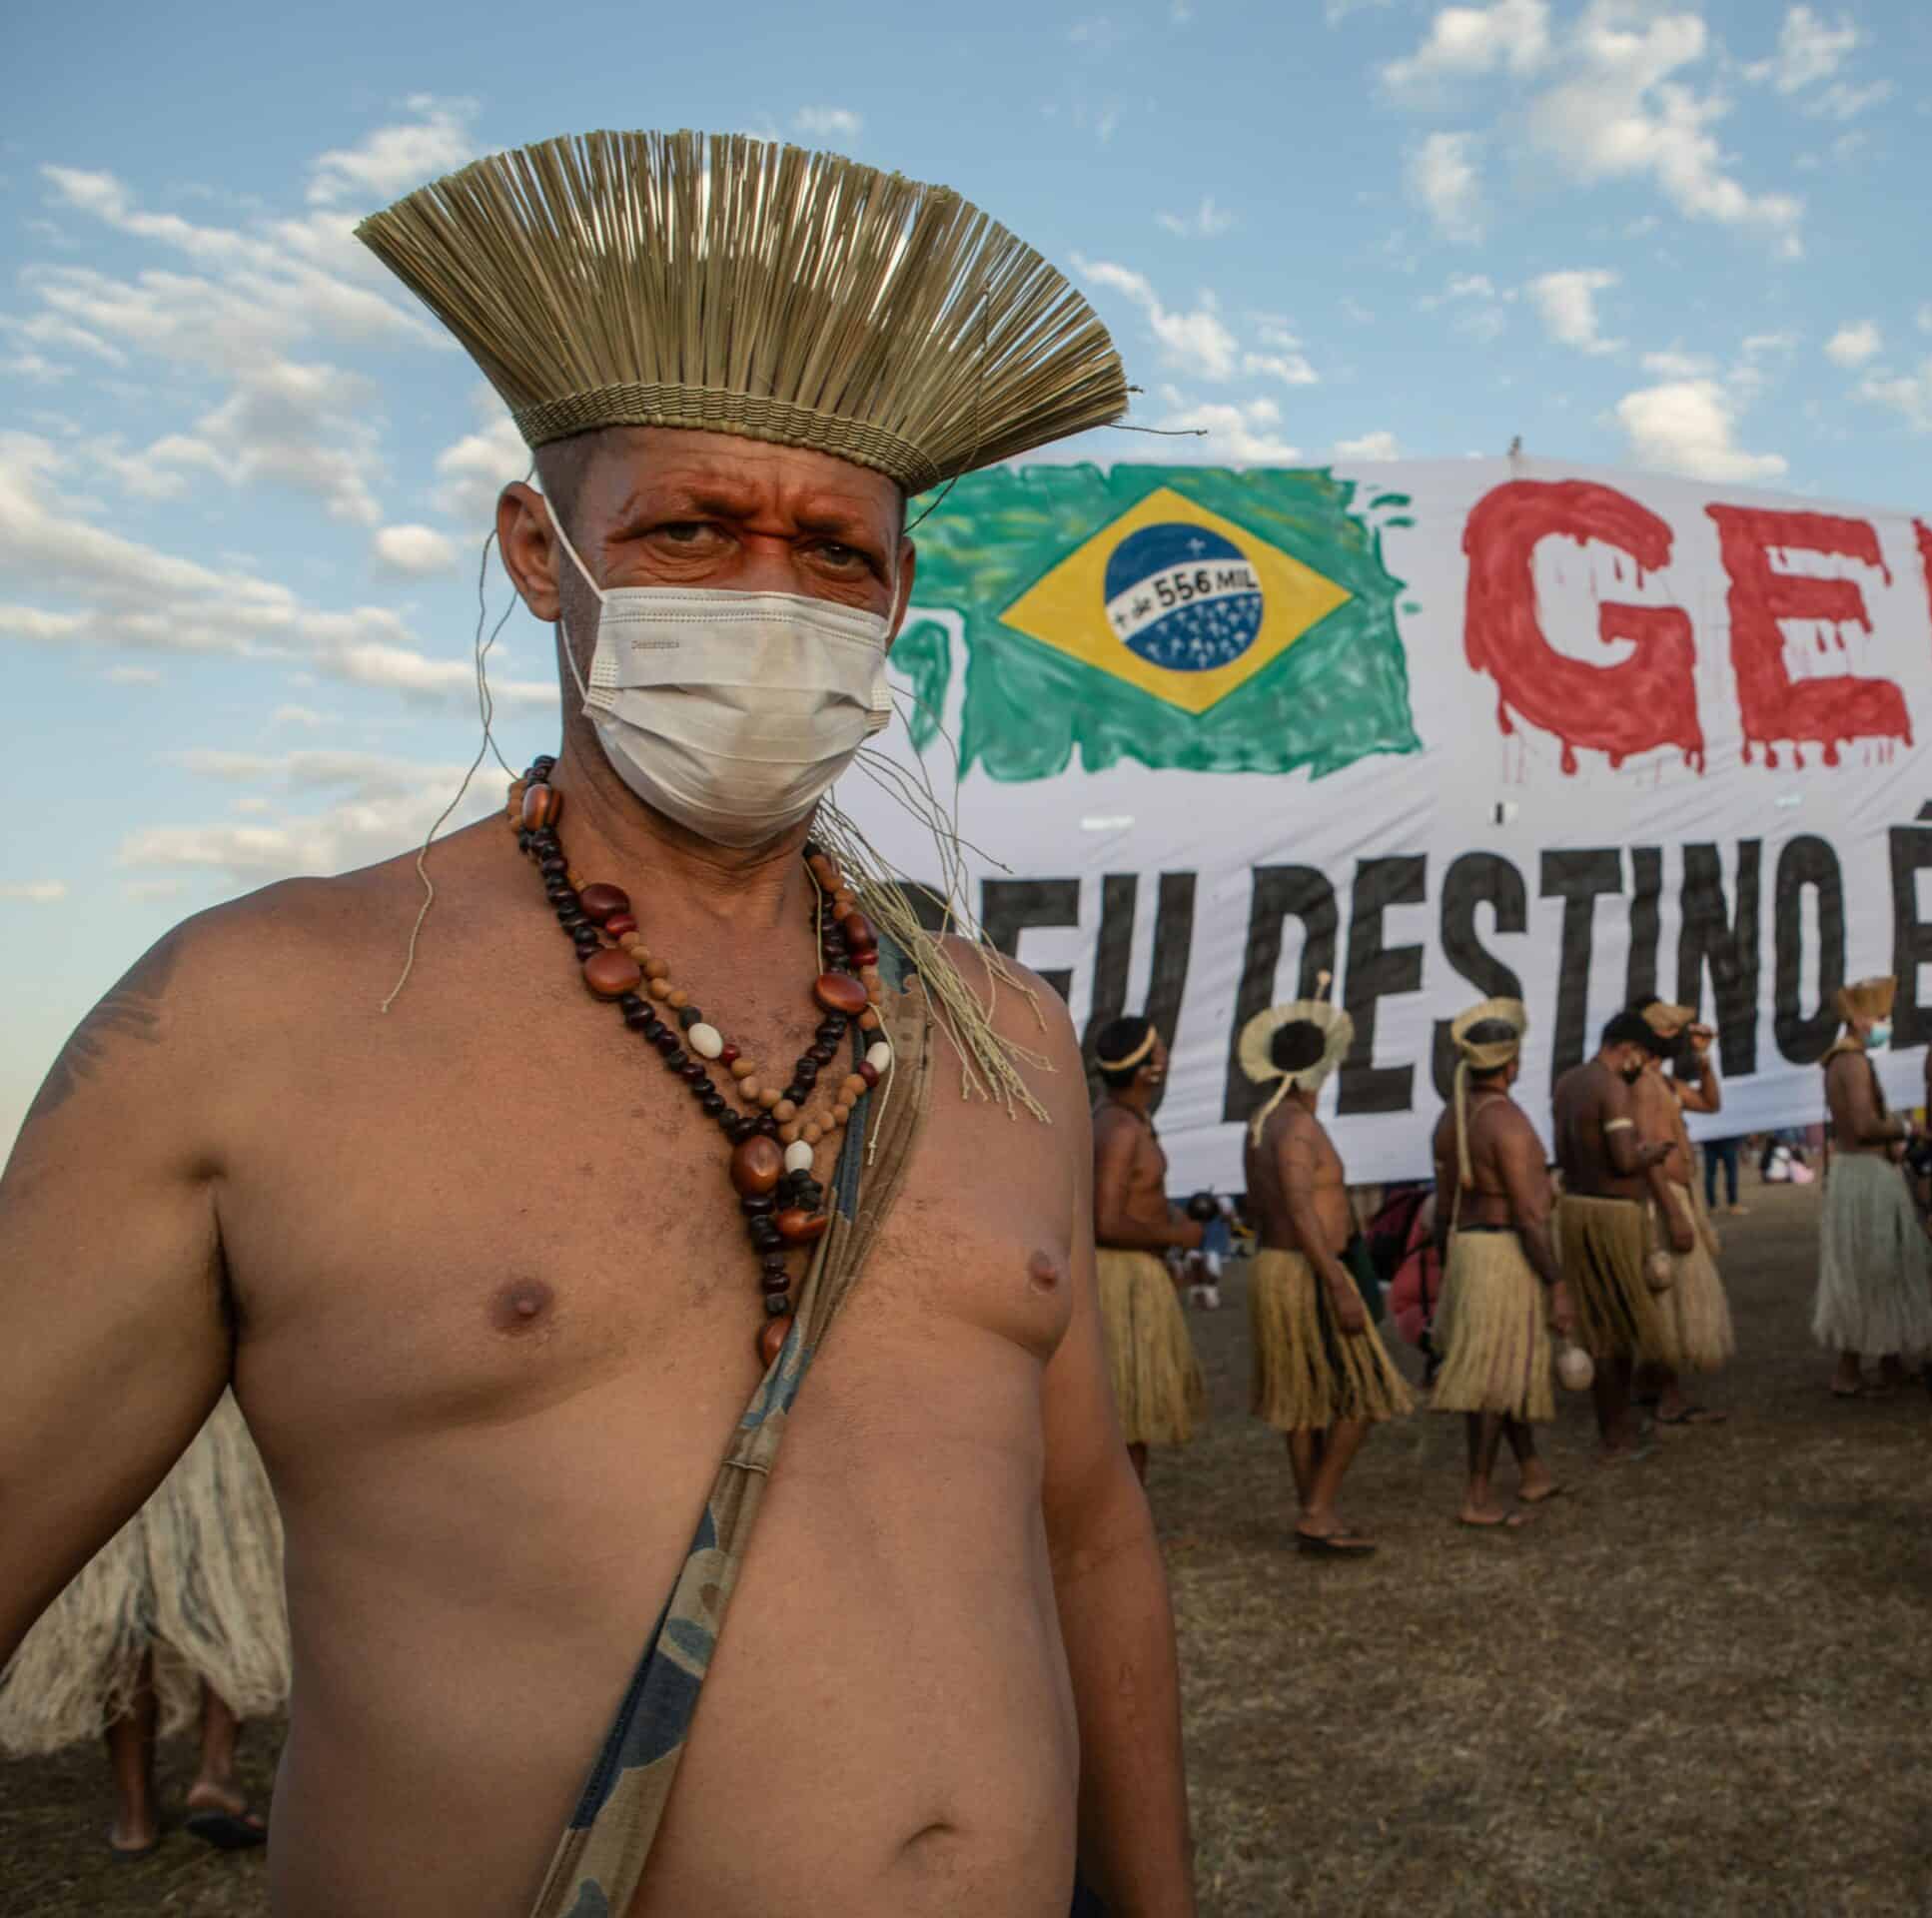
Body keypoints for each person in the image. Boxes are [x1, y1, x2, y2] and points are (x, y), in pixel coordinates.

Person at [1, 131, 1193, 1917]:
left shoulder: (996, 1030)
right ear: (540, 553)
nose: (769, 603)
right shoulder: (251, 1021)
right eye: (692, 529)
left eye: (834, 554)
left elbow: (1090, 1538)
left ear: (899, 601)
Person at [0, 1394, 287, 1857]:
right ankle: (216, 1773)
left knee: (121, 1621)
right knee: (229, 1595)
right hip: (205, 1417)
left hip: (111, 1429)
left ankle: (135, 1817)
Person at [1239, 996, 1418, 1555]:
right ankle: (1317, 1510)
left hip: (1288, 1268)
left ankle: (1314, 1507)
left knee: (1304, 1399)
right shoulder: (1294, 1129)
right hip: (1308, 1272)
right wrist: (1337, 1280)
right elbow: (1297, 1207)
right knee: (1362, 1394)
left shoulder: (1265, 1122)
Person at [1428, 1000, 1578, 1527]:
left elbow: (1442, 1210)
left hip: (1471, 1249)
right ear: (1511, 1063)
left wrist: (1450, 1269)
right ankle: (1477, 1493)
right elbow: (1530, 1215)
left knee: (1503, 1361)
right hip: (1503, 1251)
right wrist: (1557, 1282)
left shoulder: (1453, 1116)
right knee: (1492, 1376)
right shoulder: (1506, 1121)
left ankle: (1532, 1469)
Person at [1550, 1009, 1684, 1457]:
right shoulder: (1610, 1088)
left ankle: (1617, 1427)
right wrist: (1655, 1154)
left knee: (1600, 1323)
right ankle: (1616, 1434)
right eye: (1642, 1057)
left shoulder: (1567, 1083)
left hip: (1575, 1210)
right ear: (1624, 1048)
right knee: (1615, 1328)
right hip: (1610, 1217)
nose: (1642, 1067)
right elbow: (1625, 1161)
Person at [1089, 1018, 1209, 1485]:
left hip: (1129, 1273)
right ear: (1147, 1072)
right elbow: (1106, 1221)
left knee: (1127, 1420)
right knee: (1125, 1422)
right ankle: (1120, 1541)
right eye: (1160, 1051)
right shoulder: (1120, 1130)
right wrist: (1177, 1237)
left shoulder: (1117, 1120)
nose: (1167, 1057)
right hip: (1122, 1279)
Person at [1814, 978, 1932, 1399]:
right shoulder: (1850, 1063)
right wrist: (1908, 1127)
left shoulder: (1847, 1061)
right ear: (1856, 1019)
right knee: (1868, 1268)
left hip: (1866, 1173)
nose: (1884, 1025)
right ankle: (1849, 1369)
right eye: (1880, 1018)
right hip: (1865, 1177)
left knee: (1882, 1266)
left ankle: (1889, 1360)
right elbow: (1863, 1126)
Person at [1634, 1002, 1732, 1426]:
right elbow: (1647, 1154)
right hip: (1662, 1199)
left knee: (1672, 1293)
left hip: (1677, 1193)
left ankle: (1652, 1383)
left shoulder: (1664, 1083)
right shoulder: (1640, 1084)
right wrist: (1673, 1211)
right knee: (1666, 1295)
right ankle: (1668, 1394)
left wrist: (1703, 1060)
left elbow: (1711, 1103)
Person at [1703, 1132, 1747, 1214]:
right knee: (1731, 1171)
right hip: (1727, 1136)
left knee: (1710, 1173)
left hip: (1708, 1136)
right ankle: (1732, 1205)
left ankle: (1712, 1206)